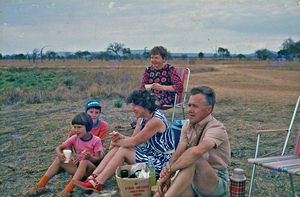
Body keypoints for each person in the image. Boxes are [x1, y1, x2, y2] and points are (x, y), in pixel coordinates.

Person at [74, 89, 176, 192]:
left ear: (145, 105)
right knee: (120, 146)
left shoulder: (155, 121)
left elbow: (133, 142)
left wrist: (117, 141)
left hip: (161, 162)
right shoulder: (142, 118)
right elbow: (133, 138)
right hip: (151, 154)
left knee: (123, 150)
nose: (132, 109)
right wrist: (120, 137)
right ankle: (93, 177)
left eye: (135, 105)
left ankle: (98, 182)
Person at [155, 86, 231, 197]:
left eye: (195, 106)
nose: (190, 110)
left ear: (208, 109)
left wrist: (171, 170)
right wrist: (167, 173)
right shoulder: (187, 124)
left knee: (195, 159)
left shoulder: (217, 128)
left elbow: (196, 153)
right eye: (189, 105)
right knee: (163, 193)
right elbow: (179, 151)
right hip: (193, 178)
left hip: (215, 182)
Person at [26, 112, 104, 197]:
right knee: (59, 159)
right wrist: (60, 154)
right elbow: (59, 148)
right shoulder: (74, 138)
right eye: (74, 127)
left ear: (88, 127)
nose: (76, 130)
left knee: (84, 161)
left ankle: (67, 191)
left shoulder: (96, 140)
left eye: (79, 127)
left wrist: (90, 158)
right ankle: (40, 185)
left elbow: (98, 158)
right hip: (78, 170)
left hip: (91, 172)